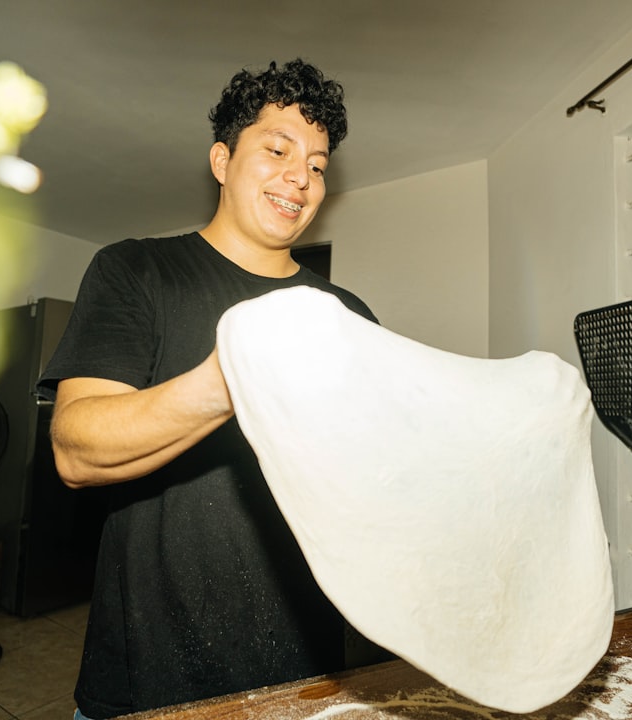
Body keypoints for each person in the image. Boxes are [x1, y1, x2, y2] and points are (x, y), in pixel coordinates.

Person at [37, 59, 378, 719]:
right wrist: (232, 376)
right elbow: (75, 451)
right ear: (222, 160)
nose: (300, 177)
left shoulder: (348, 316)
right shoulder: (136, 270)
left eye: (316, 165)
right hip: (147, 683)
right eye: (277, 150)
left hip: (307, 676)